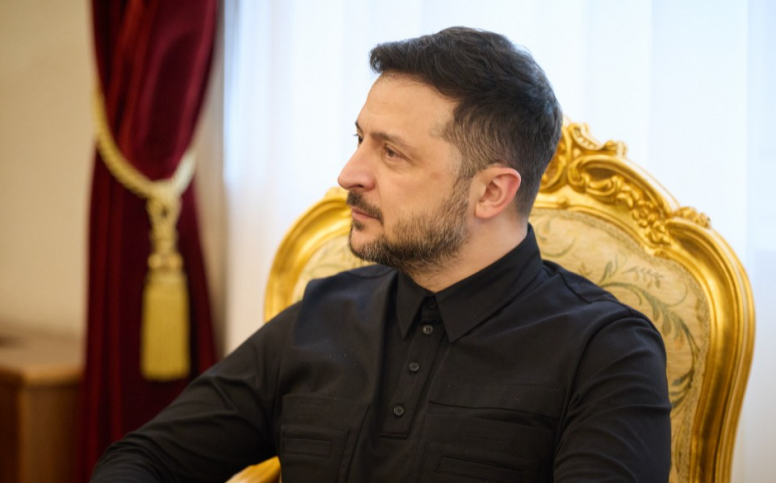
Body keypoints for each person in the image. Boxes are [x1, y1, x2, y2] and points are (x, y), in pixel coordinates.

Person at [91, 27, 671, 482]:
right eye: (360, 139)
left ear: (492, 192)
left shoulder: (606, 352)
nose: (349, 174)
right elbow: (143, 460)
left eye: (392, 153)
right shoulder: (323, 314)